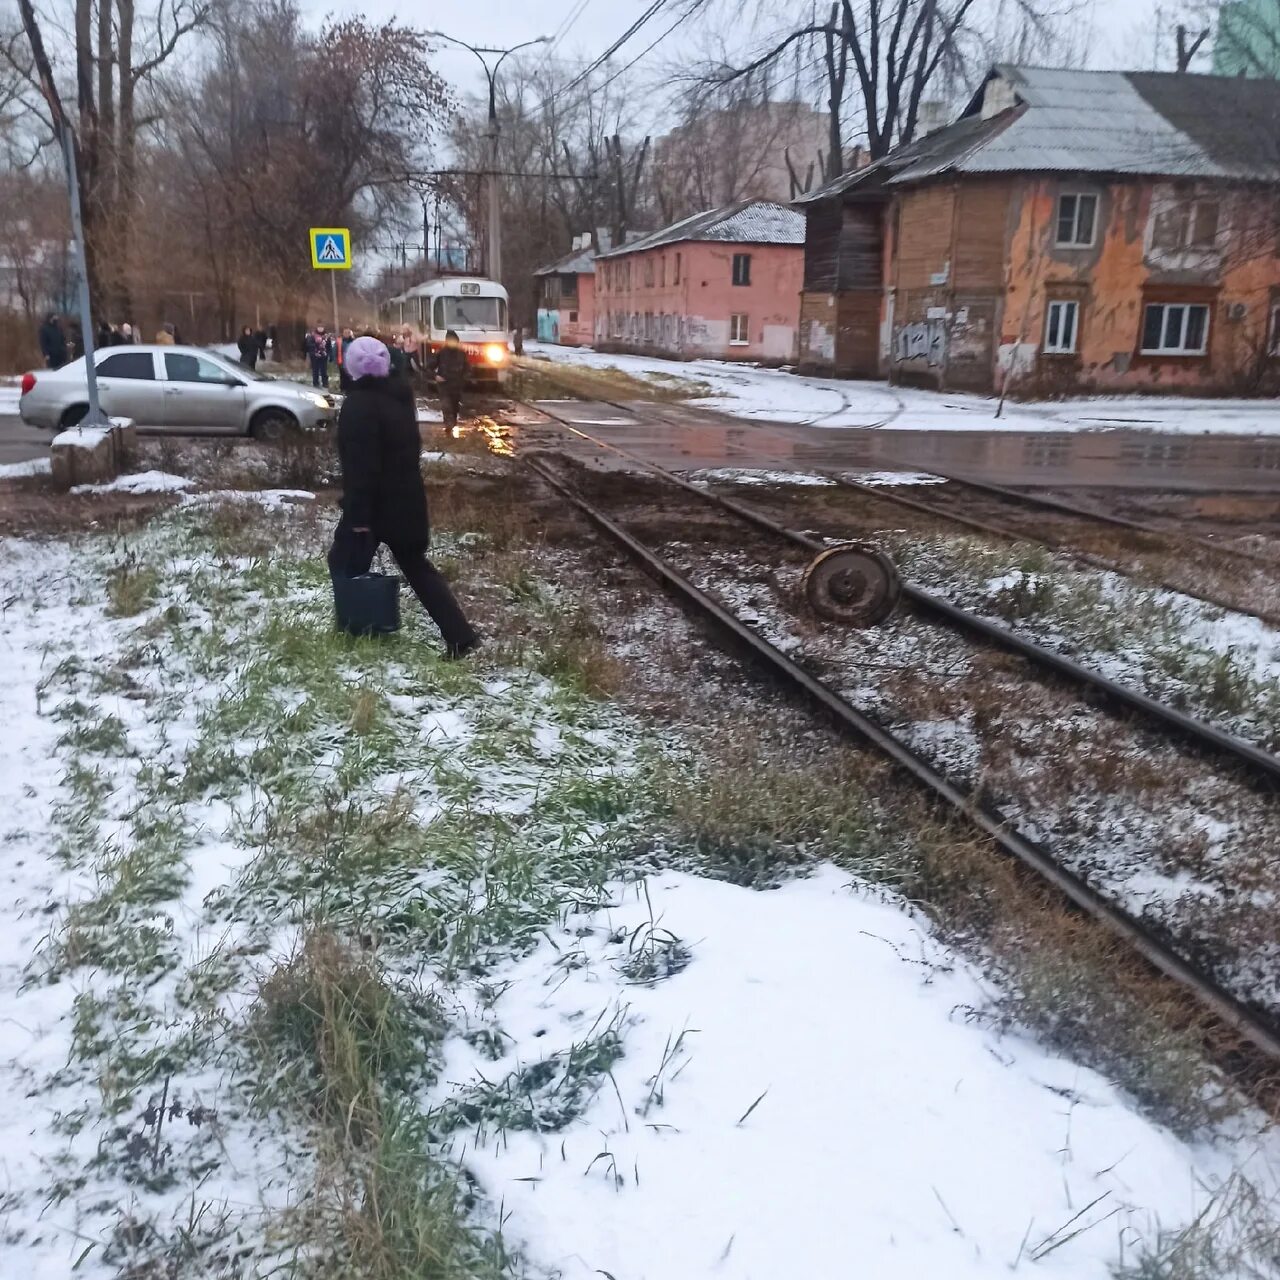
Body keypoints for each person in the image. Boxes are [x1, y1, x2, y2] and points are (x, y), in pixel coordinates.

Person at [328, 336, 478, 659]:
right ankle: (460, 636)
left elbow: (361, 468)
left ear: (352, 368)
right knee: (417, 569)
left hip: (374, 508)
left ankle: (359, 629)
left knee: (343, 562)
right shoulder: (399, 397)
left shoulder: (358, 407)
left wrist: (358, 518)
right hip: (407, 502)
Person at [433, 329, 468, 428]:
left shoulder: (461, 354)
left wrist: (463, 379)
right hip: (444, 386)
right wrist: (435, 376)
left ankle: (452, 425)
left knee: (454, 408)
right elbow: (429, 367)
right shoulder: (441, 353)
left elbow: (467, 368)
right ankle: (448, 429)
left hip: (456, 386)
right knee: (446, 406)